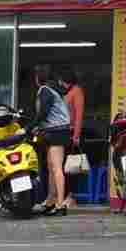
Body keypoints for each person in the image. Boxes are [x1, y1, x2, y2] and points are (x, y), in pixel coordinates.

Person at [32, 64, 72, 216]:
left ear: (37, 79)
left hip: (57, 132)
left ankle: (60, 204)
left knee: (56, 168)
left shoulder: (45, 91)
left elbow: (43, 113)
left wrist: (29, 128)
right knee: (51, 167)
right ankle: (50, 200)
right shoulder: (53, 89)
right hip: (55, 131)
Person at [60, 63, 85, 211]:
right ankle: (62, 196)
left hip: (70, 133)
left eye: (61, 80)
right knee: (61, 166)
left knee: (70, 167)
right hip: (61, 132)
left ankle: (70, 196)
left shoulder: (77, 91)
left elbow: (79, 115)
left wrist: (76, 135)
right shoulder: (65, 92)